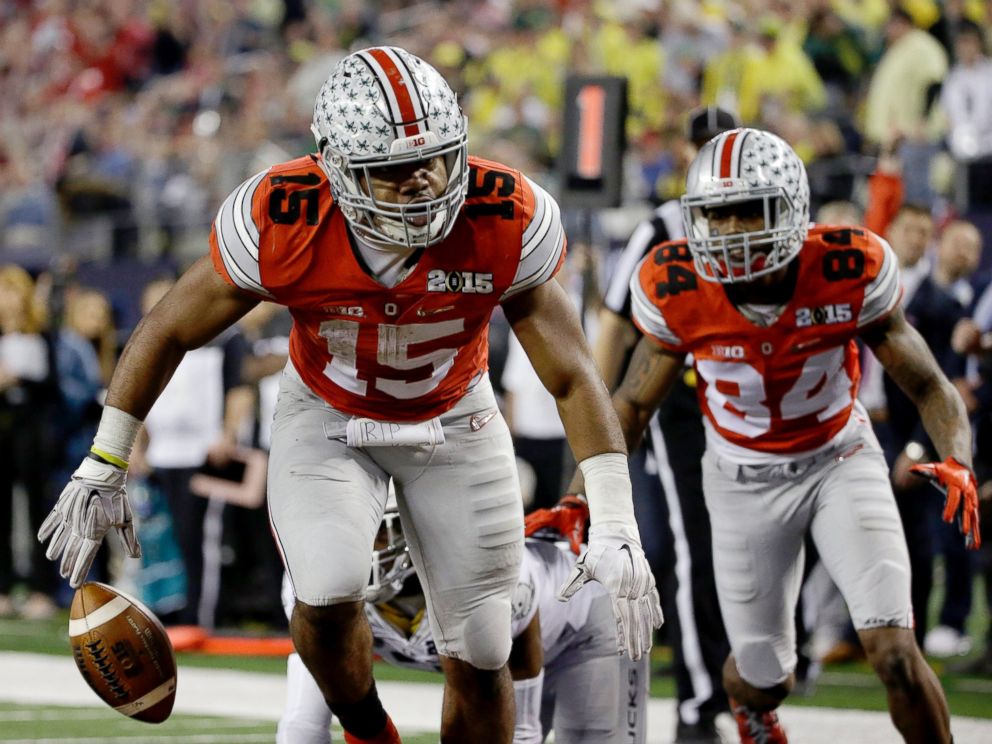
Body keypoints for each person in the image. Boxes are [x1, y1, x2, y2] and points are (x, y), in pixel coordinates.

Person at [36, 46, 662, 744]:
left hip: (455, 415)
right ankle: (370, 732)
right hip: (328, 415)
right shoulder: (283, 214)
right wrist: (106, 459)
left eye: (435, 159)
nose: (423, 183)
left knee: (485, 647)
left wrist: (613, 518)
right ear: (336, 168)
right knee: (327, 588)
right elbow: (168, 328)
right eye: (393, 171)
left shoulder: (503, 212)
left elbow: (573, 372)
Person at [596, 127, 980, 744]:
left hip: (839, 459)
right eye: (716, 215)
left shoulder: (846, 265)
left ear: (792, 209)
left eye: (749, 211)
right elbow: (633, 403)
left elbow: (931, 383)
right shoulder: (676, 284)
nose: (730, 232)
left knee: (894, 651)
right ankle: (752, 709)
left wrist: (957, 457)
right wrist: (583, 500)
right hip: (741, 480)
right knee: (763, 674)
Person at [594, 105, 739, 743]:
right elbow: (615, 323)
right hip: (679, 406)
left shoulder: (764, 217)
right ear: (686, 153)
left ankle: (747, 681)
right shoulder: (661, 227)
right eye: (703, 145)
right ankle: (700, 702)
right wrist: (602, 419)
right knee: (693, 550)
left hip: (751, 403)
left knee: (749, 553)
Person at [278, 500, 648, 744]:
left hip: (586, 624)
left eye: (377, 531)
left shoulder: (488, 575)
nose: (362, 546)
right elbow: (302, 725)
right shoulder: (314, 587)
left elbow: (521, 730)